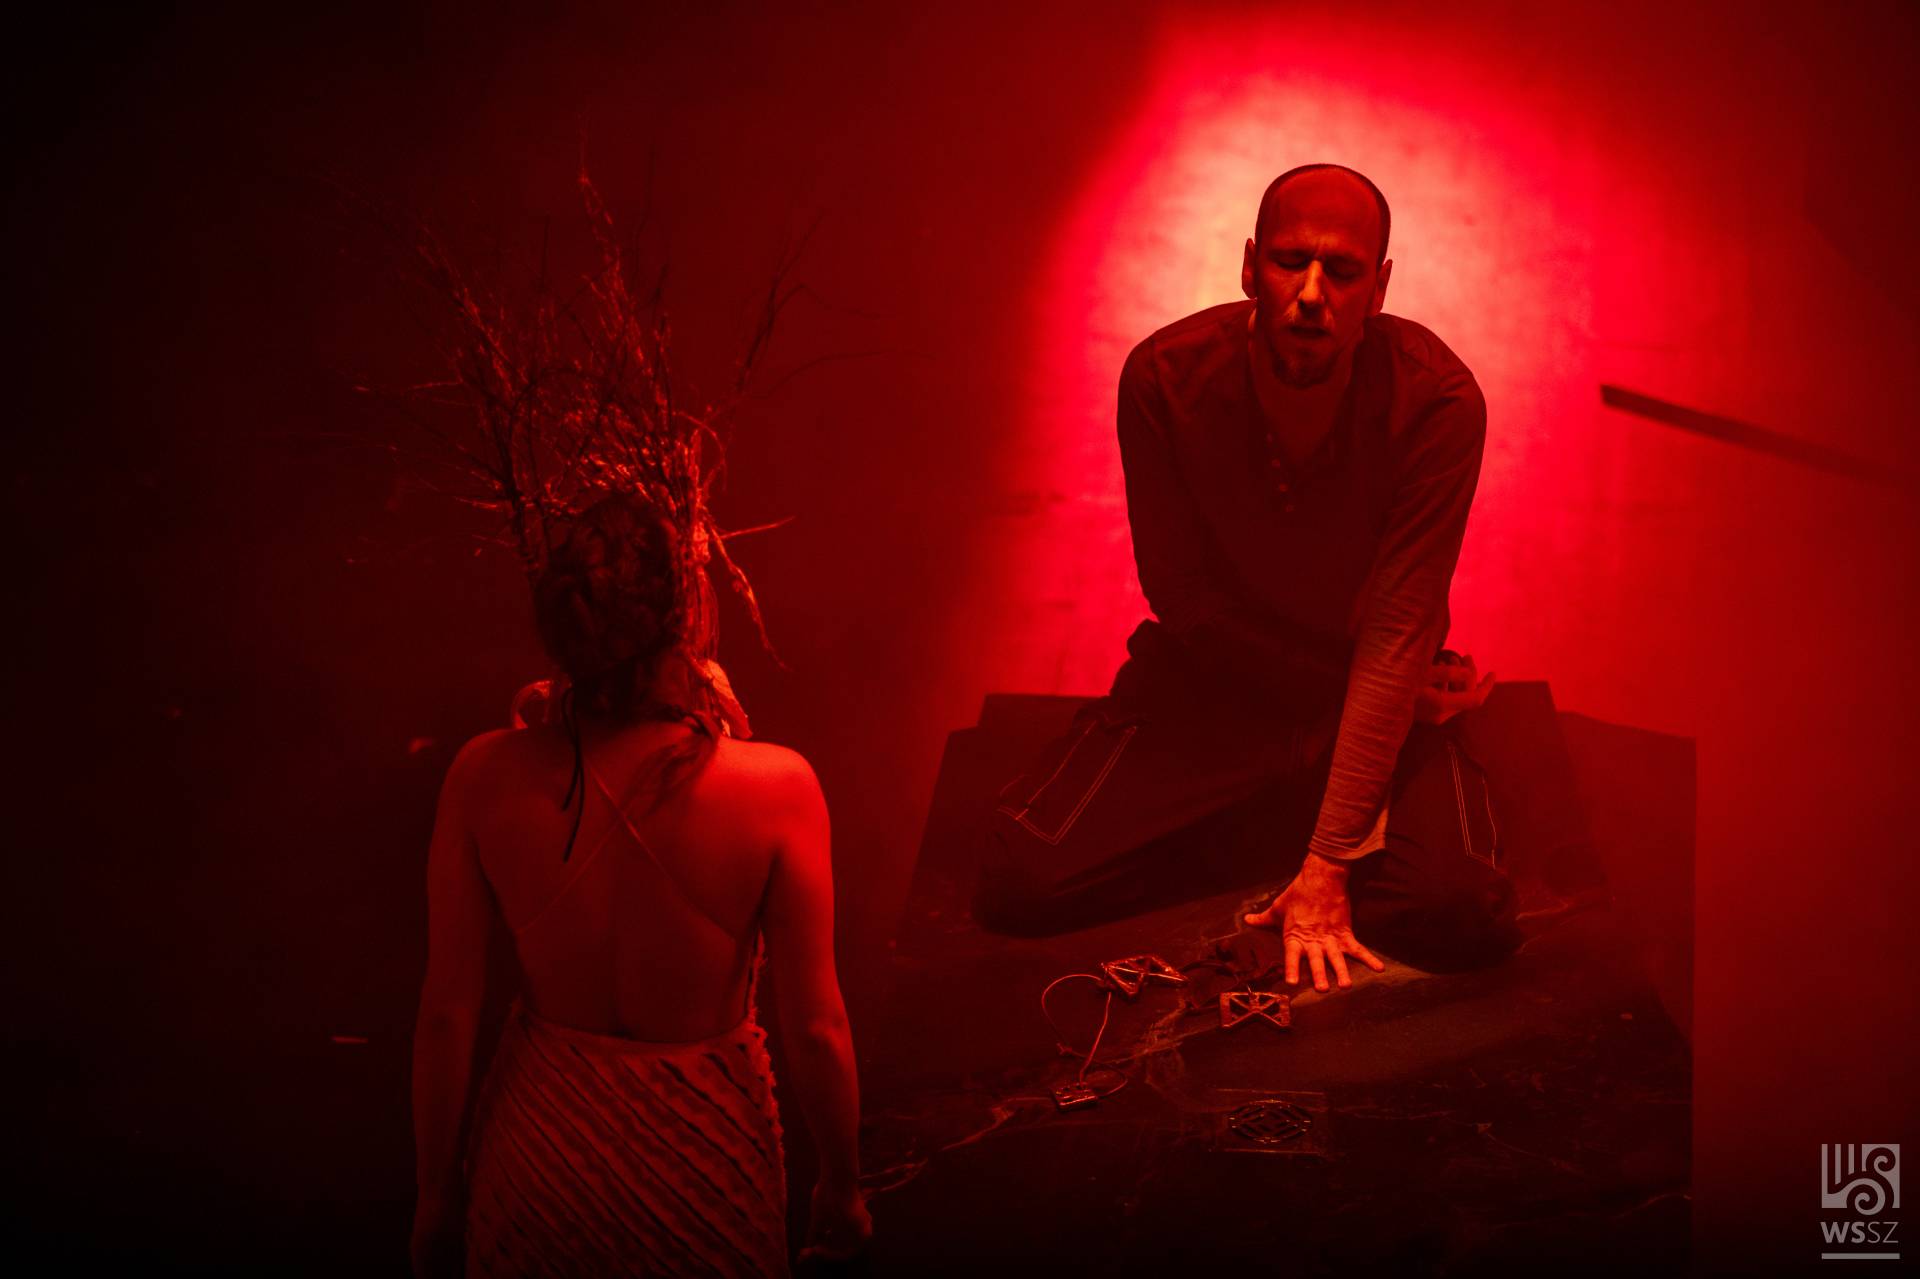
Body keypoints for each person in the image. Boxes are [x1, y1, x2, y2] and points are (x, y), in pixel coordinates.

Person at [977, 164, 1531, 987]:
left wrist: (1329, 861)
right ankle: (1289, 804)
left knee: (1460, 909)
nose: (1311, 293)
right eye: (1289, 261)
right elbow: (1184, 598)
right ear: (1248, 267)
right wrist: (1326, 718)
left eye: (1342, 271)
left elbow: (1397, 629)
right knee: (1020, 877)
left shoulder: (1437, 402)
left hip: (1377, 688)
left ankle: (1312, 809)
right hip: (1219, 684)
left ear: (1378, 290)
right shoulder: (1164, 378)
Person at [409, 495, 870, 1277]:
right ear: (683, 619)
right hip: (706, 1169)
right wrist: (843, 1183)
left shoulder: (483, 775)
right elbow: (817, 1028)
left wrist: (432, 1195)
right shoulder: (778, 788)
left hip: (538, 1165)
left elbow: (447, 1015)